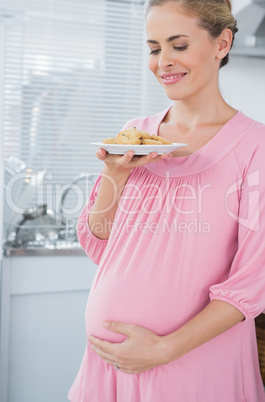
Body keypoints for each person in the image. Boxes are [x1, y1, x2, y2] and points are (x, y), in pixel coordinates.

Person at [68, 0, 265, 401]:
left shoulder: (255, 147)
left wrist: (163, 349)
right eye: (155, 48)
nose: (163, 62)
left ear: (222, 43)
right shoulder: (135, 134)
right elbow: (99, 244)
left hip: (195, 364)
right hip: (108, 366)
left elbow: (253, 281)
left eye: (178, 45)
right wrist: (115, 174)